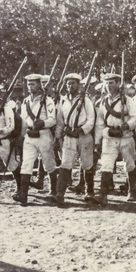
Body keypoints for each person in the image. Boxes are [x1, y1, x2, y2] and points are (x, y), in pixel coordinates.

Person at [94, 73, 136, 205]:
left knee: (130, 163)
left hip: (125, 135)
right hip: (109, 136)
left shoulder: (127, 100)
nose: (109, 86)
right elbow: (99, 123)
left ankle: (132, 190)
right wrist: (98, 141)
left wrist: (128, 125)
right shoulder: (103, 102)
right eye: (106, 83)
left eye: (111, 83)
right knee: (106, 164)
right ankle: (103, 195)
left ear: (118, 84)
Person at [13, 74, 58, 206]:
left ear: (39, 85)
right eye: (28, 84)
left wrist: (43, 123)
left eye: (33, 84)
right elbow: (23, 121)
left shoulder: (47, 100)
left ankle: (54, 191)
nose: (30, 86)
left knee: (49, 164)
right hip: (30, 137)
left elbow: (52, 119)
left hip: (44, 135)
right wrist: (21, 137)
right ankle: (23, 194)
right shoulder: (26, 101)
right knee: (26, 164)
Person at [54, 73, 97, 205]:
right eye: (68, 83)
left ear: (78, 85)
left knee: (87, 164)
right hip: (69, 136)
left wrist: (82, 129)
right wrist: (58, 137)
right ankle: (60, 194)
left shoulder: (86, 100)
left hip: (84, 136)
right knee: (66, 163)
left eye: (73, 83)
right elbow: (60, 121)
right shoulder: (63, 101)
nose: (70, 85)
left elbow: (91, 119)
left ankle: (89, 192)